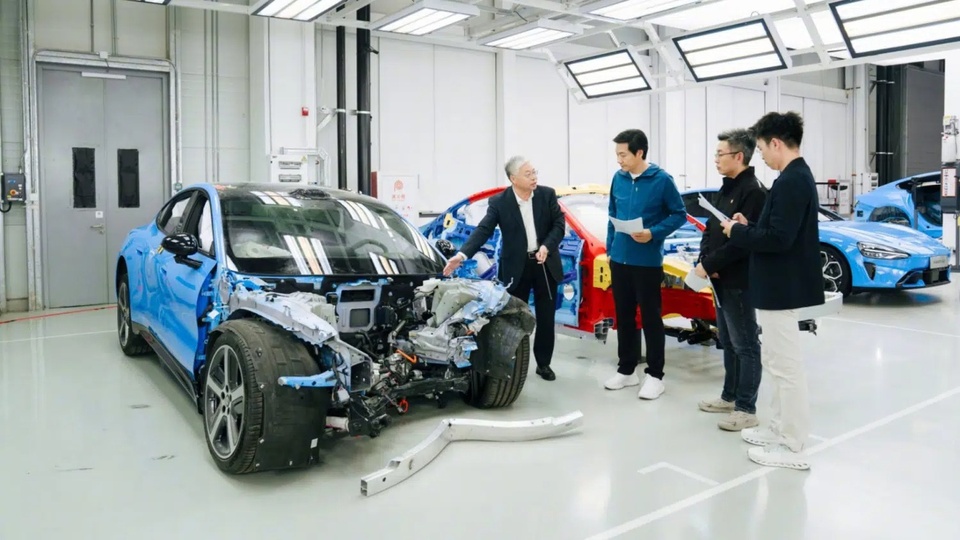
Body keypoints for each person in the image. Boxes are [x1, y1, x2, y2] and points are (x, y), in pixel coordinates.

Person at [721, 111, 824, 470]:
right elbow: (778, 229)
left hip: (782, 286)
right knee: (778, 363)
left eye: (763, 148)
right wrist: (749, 224)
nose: (761, 155)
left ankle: (793, 445)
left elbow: (780, 240)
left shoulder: (793, 181)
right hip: (777, 286)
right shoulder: (791, 178)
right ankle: (779, 429)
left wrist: (738, 233)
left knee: (786, 368)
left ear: (776, 143)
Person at [443, 156, 566, 381]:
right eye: (528, 174)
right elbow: (483, 230)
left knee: (546, 318)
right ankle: (514, 364)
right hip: (516, 267)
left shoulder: (547, 195)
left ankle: (544, 364)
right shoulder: (500, 202)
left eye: (534, 172)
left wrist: (547, 246)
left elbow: (559, 225)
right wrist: (461, 255)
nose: (534, 177)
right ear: (513, 178)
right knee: (514, 318)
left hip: (544, 263)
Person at [603, 129, 687, 399]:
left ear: (640, 152)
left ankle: (655, 375)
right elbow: (612, 214)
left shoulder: (662, 180)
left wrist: (653, 232)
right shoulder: (618, 178)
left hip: (647, 262)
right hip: (619, 259)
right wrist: (610, 249)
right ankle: (627, 370)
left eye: (623, 154)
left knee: (651, 318)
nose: (619, 160)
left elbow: (679, 214)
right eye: (617, 154)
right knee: (624, 316)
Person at [695, 128, 767, 432]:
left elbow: (743, 242)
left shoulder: (754, 192)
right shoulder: (725, 189)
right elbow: (711, 228)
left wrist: (710, 264)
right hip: (718, 278)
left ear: (738, 156)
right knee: (727, 341)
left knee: (745, 344)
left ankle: (746, 408)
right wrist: (704, 260)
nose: (716, 159)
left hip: (739, 279)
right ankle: (729, 396)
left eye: (720, 153)